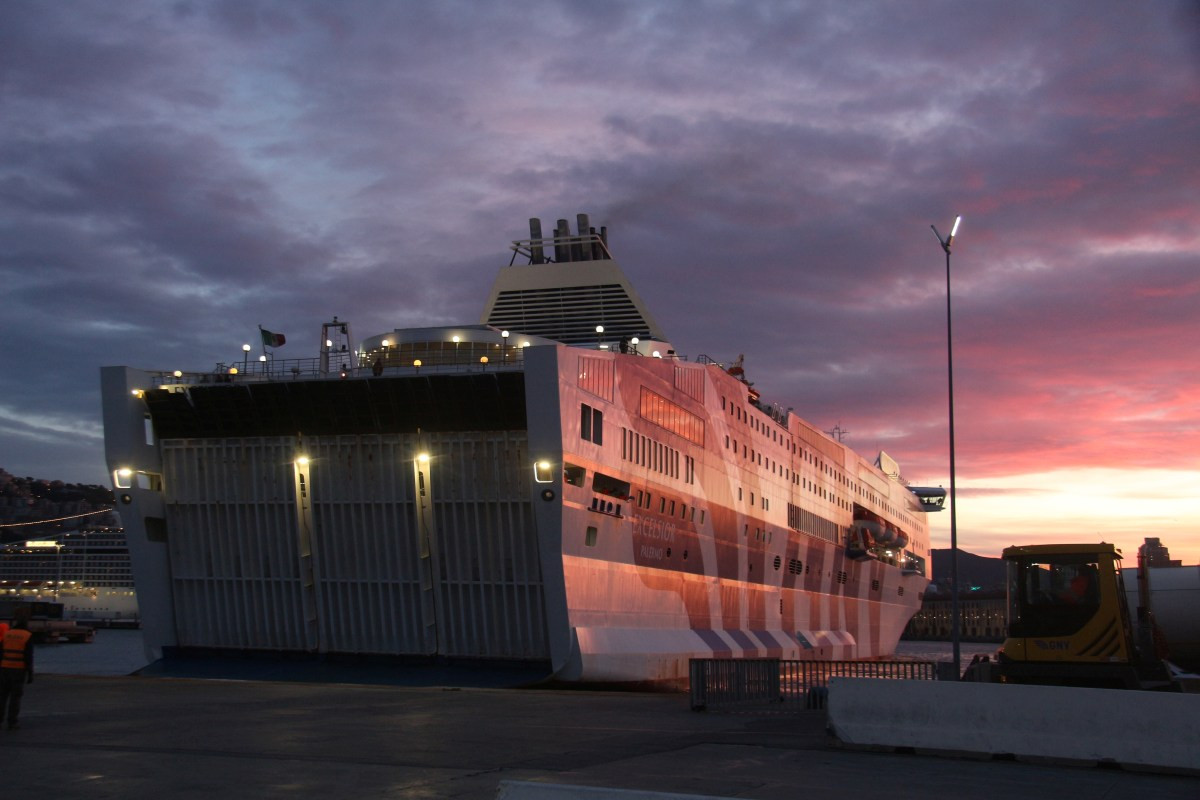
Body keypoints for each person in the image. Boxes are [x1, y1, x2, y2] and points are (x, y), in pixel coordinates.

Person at [0, 615, 34, 730]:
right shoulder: (27, 635)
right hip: (18, 669)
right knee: (15, 697)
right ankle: (12, 721)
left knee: (2, 695)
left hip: (4, 668)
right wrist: (30, 673)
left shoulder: (7, 634)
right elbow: (28, 656)